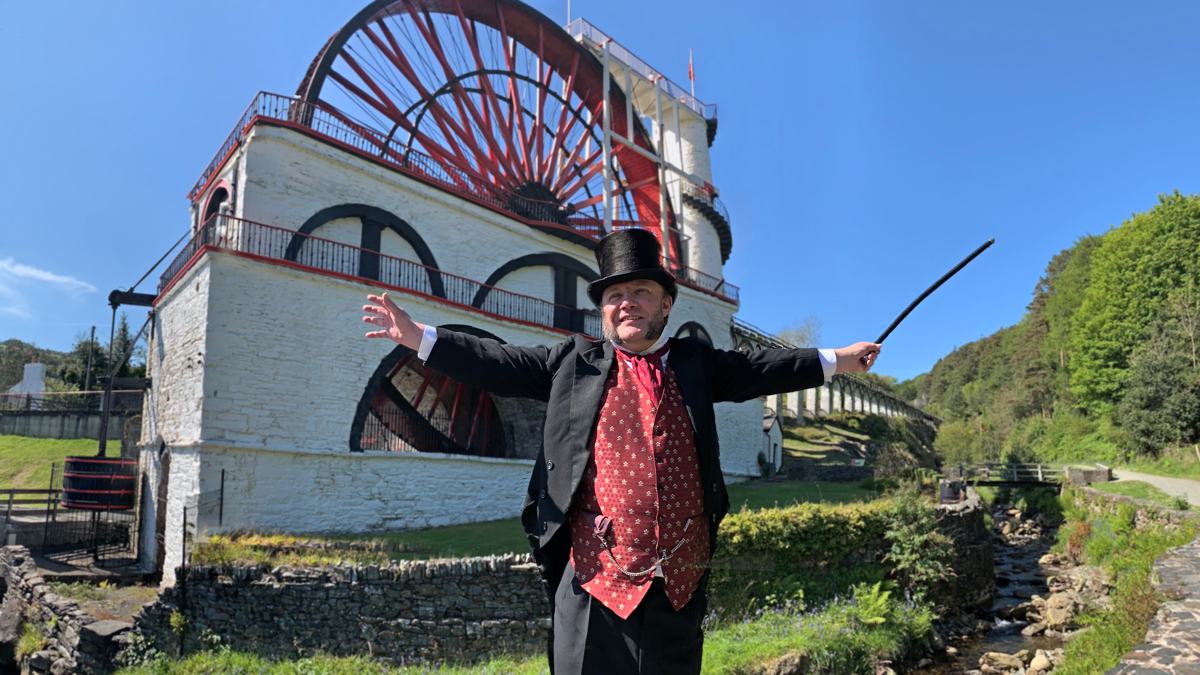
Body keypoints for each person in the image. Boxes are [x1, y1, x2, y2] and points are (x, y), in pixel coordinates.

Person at [361, 228, 880, 674]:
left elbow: (762, 369)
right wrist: (420, 338)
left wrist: (838, 359)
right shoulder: (573, 361)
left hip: (679, 581)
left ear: (666, 303)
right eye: (614, 296)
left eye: (640, 291)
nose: (626, 302)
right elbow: (497, 360)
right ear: (604, 310)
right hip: (594, 581)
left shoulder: (696, 363)